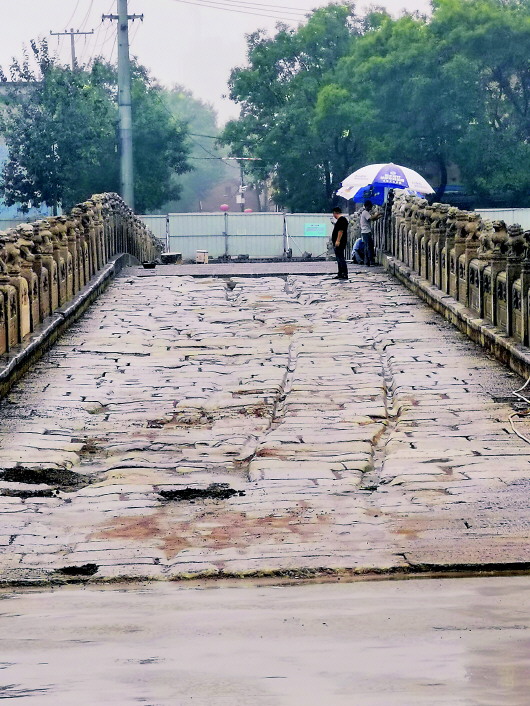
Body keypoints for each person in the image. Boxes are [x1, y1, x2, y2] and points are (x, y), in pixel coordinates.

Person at [360, 200, 381, 266]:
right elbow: (371, 218)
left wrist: (378, 217)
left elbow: (373, 219)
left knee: (369, 246)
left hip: (366, 231)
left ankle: (368, 261)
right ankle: (370, 261)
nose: (371, 208)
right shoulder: (365, 212)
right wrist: (377, 214)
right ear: (367, 206)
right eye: (370, 206)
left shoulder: (365, 213)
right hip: (366, 232)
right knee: (369, 247)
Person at [331, 207, 349, 280]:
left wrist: (338, 240)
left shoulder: (341, 220)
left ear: (335, 213)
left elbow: (340, 231)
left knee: (341, 258)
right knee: (339, 258)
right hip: (340, 242)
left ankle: (344, 273)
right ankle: (340, 273)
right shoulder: (340, 220)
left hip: (340, 242)